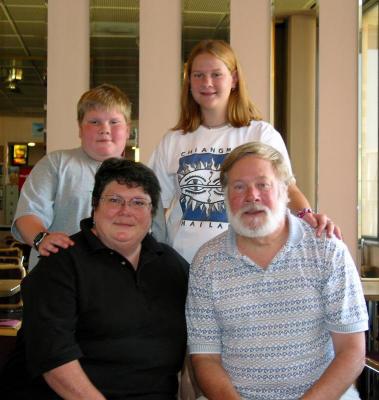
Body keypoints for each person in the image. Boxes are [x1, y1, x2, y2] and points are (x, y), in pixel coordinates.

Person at [185, 142, 368, 400]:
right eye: (239, 187)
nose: (252, 196)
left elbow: (352, 351)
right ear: (226, 196)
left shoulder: (327, 251)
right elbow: (205, 357)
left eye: (263, 184)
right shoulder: (206, 262)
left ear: (284, 190)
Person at [1, 158, 188, 399]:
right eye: (114, 200)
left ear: (152, 212)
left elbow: (195, 348)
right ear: (94, 206)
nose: (126, 211)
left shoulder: (172, 266)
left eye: (138, 202)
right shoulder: (60, 263)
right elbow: (54, 361)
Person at [149, 39, 340, 263]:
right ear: (189, 82)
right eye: (198, 75)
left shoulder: (261, 134)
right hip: (184, 264)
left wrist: (309, 217)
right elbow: (155, 205)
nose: (206, 82)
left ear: (234, 79)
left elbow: (287, 188)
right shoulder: (173, 141)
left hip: (245, 264)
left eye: (216, 74)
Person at [11, 83, 165, 270]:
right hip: (62, 277)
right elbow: (27, 214)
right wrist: (42, 238)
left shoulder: (144, 177)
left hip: (119, 282)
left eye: (114, 122)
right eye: (94, 122)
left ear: (128, 129)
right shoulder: (56, 164)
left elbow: (157, 235)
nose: (104, 129)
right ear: (80, 128)